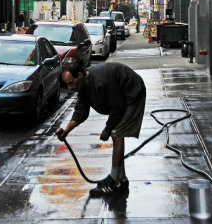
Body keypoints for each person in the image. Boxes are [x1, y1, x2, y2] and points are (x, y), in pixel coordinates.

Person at [56, 62, 146, 197]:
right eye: (67, 84)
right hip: (121, 99)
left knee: (116, 133)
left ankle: (114, 181)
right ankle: (121, 179)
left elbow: (118, 107)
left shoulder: (101, 81)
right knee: (116, 133)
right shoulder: (82, 85)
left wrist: (107, 129)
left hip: (133, 93)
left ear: (80, 75)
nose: (69, 88)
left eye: (71, 83)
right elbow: (81, 111)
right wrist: (67, 130)